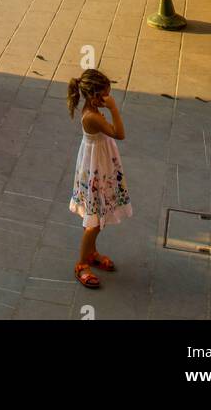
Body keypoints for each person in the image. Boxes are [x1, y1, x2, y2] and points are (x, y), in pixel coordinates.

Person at [67, 68, 131, 289]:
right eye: (106, 95)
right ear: (95, 96)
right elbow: (119, 133)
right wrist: (114, 109)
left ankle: (92, 252)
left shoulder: (91, 108)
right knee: (93, 222)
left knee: (100, 215)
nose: (109, 98)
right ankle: (82, 263)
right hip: (96, 168)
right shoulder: (92, 116)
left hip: (99, 165)